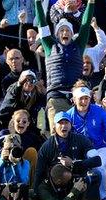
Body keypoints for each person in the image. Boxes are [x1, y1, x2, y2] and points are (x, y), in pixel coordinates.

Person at [34, 0, 95, 132]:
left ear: (72, 34)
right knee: (58, 134)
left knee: (77, 135)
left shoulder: (78, 45)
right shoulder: (49, 46)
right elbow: (42, 24)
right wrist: (37, 3)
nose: (65, 33)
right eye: (61, 30)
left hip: (76, 99)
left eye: (68, 30)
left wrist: (91, 3)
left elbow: (85, 25)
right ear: (56, 34)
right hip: (56, 98)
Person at [33, 112, 102, 199]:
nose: (64, 126)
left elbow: (97, 160)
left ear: (71, 125)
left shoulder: (81, 139)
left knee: (95, 174)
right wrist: (35, 196)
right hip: (57, 180)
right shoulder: (47, 146)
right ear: (54, 125)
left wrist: (74, 164)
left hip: (77, 176)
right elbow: (39, 171)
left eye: (66, 122)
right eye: (60, 123)